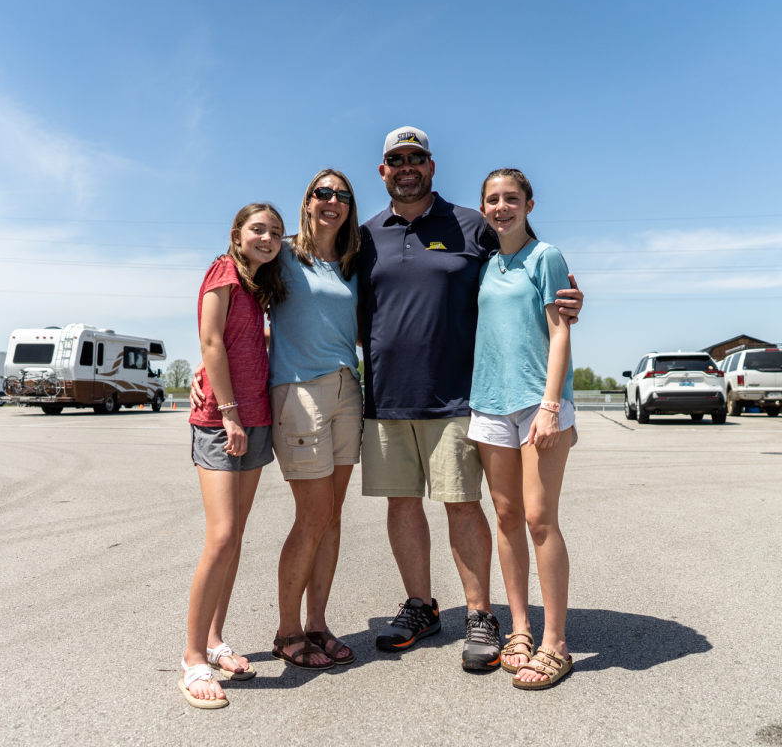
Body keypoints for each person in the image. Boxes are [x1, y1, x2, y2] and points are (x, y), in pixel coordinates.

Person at [357, 127, 583, 672]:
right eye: (396, 159)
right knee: (404, 504)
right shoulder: (362, 237)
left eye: (416, 158)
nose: (406, 166)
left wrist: (568, 298)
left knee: (473, 506)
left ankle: (482, 614)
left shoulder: (470, 225)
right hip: (388, 397)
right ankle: (421, 606)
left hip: (461, 397)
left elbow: (526, 256)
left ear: (432, 166)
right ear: (383, 170)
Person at [191, 169, 363, 670]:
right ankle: (287, 631)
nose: (332, 201)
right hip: (298, 393)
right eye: (322, 193)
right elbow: (221, 321)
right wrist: (204, 365)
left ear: (350, 206)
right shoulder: (281, 252)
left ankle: (318, 625)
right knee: (311, 515)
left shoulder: (354, 260)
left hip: (346, 389)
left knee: (331, 516)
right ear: (308, 201)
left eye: (342, 195)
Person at [467, 169, 576, 689]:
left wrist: (551, 407)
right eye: (493, 199)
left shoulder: (545, 256)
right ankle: (520, 630)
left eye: (512, 198)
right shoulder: (485, 263)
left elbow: (561, 332)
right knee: (506, 516)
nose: (502, 206)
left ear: (530, 204)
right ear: (483, 207)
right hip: (490, 404)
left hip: (538, 403)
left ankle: (556, 643)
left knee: (538, 519)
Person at [180, 203, 285, 708]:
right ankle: (192, 657)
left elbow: (246, 340)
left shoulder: (259, 286)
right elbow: (211, 340)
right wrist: (228, 412)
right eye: (258, 229)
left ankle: (217, 639)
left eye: (276, 233)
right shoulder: (223, 271)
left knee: (236, 536)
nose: (267, 238)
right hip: (225, 423)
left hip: (258, 419)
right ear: (236, 234)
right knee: (220, 536)